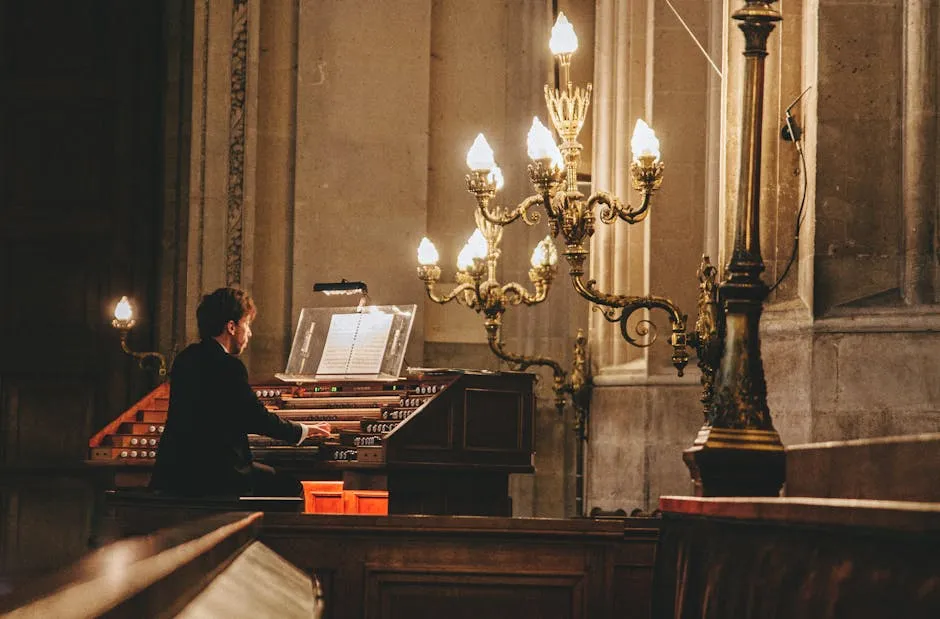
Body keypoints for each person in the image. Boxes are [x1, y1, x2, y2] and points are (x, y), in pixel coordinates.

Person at [150, 287, 329, 497]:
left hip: (174, 473)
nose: (250, 333)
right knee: (291, 488)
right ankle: (256, 531)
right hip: (219, 477)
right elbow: (255, 418)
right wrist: (303, 431)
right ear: (232, 327)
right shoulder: (228, 366)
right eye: (247, 324)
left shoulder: (185, 359)